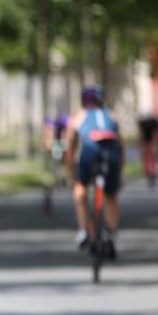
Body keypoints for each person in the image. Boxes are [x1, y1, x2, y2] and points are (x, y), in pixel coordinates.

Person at [65, 84, 124, 257]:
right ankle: (112, 234)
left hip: (89, 153)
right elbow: (120, 145)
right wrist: (120, 169)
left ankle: (84, 230)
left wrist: (70, 171)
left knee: (80, 190)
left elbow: (70, 145)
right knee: (111, 195)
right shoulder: (112, 115)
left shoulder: (79, 116)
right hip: (111, 155)